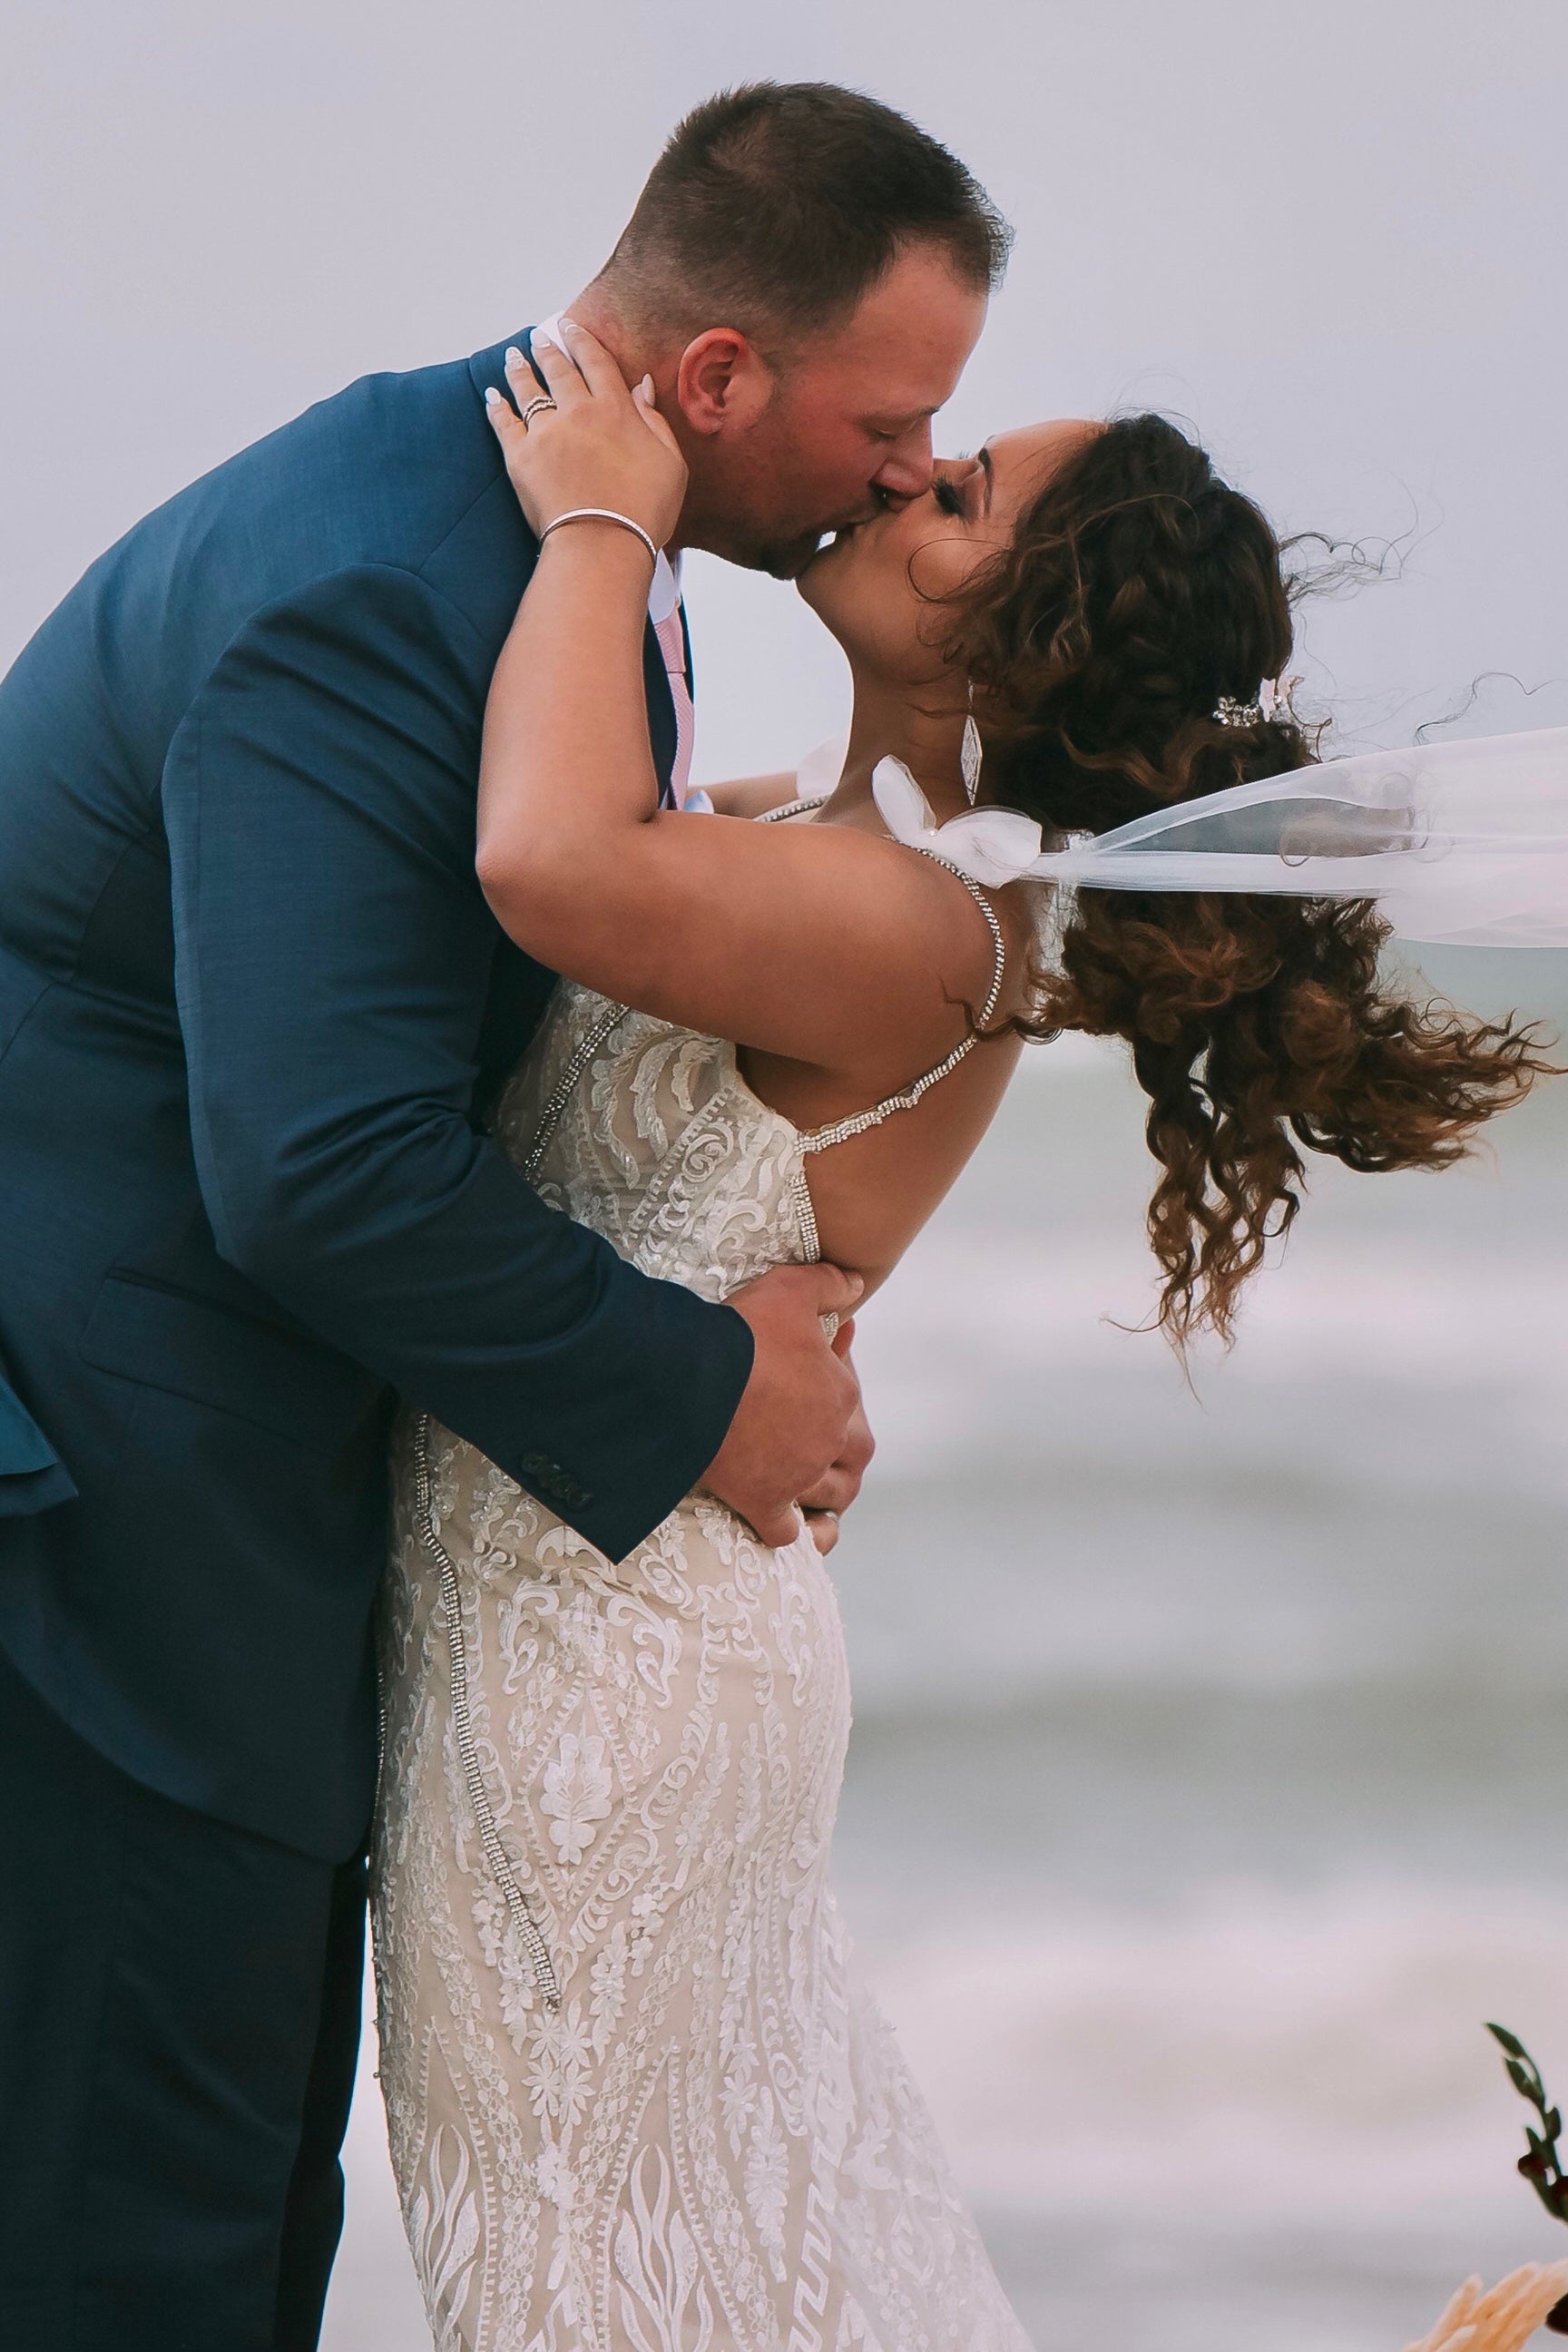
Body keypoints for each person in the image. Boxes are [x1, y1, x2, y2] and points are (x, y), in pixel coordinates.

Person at [368, 309, 1552, 2342]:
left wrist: (598, 526)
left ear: (1039, 634)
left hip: (606, 1686)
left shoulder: (927, 926)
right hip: (565, 1617)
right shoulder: (834, 857)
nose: (908, 470)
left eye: (970, 486)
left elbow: (545, 855)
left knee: (586, 2278)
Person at [0, 83, 1010, 2352]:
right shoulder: (398, 581)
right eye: (892, 419)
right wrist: (703, 1395)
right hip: (99, 1532)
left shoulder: (555, 546)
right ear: (723, 378)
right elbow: (320, 1161)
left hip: (216, 1526)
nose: (901, 469)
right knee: (122, 2257)